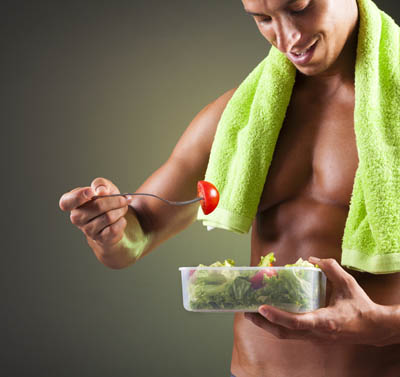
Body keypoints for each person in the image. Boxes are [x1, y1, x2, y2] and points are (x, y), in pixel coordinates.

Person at [59, 0, 400, 375]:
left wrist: (384, 325)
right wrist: (109, 229)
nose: (287, 38)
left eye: (299, 8)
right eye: (263, 19)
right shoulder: (241, 118)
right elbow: (135, 238)